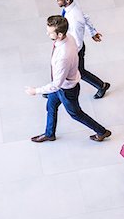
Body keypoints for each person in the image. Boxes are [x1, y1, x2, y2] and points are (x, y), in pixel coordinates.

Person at [25, 15, 111, 143]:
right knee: (51, 105)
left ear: (59, 35)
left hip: (66, 90)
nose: (47, 34)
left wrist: (36, 91)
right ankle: (49, 133)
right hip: (64, 86)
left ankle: (102, 131)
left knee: (76, 114)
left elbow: (56, 85)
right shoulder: (68, 37)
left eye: (50, 33)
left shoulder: (63, 56)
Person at [54, 0, 110, 99]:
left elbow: (77, 41)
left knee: (76, 72)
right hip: (69, 45)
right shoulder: (72, 5)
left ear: (67, 0)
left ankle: (101, 86)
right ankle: (53, 91)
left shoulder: (74, 21)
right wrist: (93, 32)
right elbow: (85, 17)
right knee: (69, 70)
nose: (56, 0)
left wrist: (69, 55)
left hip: (75, 49)